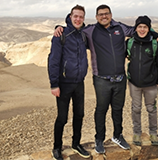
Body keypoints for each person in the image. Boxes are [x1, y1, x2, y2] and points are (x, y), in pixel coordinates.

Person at [54, 4, 158, 154]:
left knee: (117, 109)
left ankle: (117, 136)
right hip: (101, 79)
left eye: (106, 13)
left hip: (120, 78)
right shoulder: (90, 30)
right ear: (96, 17)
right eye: (100, 14)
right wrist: (59, 26)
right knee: (101, 109)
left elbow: (139, 29)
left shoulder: (120, 27)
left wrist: (156, 34)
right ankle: (99, 139)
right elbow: (75, 28)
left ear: (111, 15)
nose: (104, 16)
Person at [47, 4, 90, 160]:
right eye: (75, 16)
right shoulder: (61, 34)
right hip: (64, 84)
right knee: (62, 118)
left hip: (79, 82)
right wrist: (54, 84)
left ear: (83, 18)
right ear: (70, 17)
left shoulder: (84, 35)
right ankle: (57, 147)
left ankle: (76, 144)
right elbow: (53, 60)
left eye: (81, 17)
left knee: (79, 114)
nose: (78, 19)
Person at [126, 16, 158, 146]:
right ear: (136, 28)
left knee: (151, 109)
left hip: (151, 84)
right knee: (136, 109)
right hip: (134, 84)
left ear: (149, 29)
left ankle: (153, 133)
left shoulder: (154, 44)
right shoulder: (130, 42)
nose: (142, 30)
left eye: (145, 27)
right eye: (140, 27)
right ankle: (137, 133)